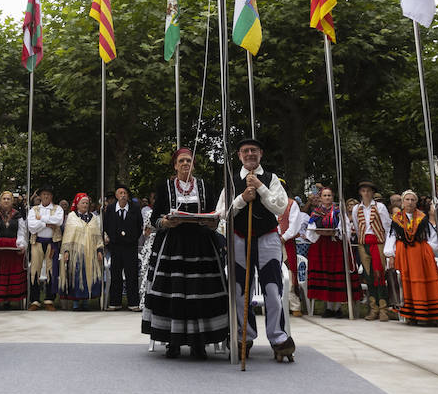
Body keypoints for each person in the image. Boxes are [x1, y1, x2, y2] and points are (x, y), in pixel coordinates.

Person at [142, 147, 228, 359]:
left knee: (199, 292)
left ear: (194, 164)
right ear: (175, 165)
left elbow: (214, 215)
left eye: (188, 160)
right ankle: (173, 342)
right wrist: (166, 222)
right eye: (181, 161)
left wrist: (211, 221)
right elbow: (154, 219)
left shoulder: (205, 186)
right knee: (175, 293)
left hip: (201, 246)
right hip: (173, 247)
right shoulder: (165, 187)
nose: (185, 164)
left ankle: (199, 342)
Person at [217, 137, 295, 362]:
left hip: (267, 237)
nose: (249, 154)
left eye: (253, 150)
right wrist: (242, 198)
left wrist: (260, 188)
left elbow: (280, 206)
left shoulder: (271, 179)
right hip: (240, 238)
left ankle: (278, 337)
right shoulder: (231, 181)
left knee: (272, 288)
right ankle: (245, 336)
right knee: (241, 290)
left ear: (260, 153)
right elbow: (222, 213)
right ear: (240, 155)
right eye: (245, 151)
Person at [385, 189, 438, 326]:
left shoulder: (422, 217)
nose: (410, 202)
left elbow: (432, 236)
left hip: (421, 252)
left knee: (425, 281)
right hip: (404, 252)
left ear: (416, 202)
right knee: (406, 283)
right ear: (402, 202)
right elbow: (392, 236)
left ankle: (430, 314)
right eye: (407, 199)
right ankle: (411, 314)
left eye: (413, 200)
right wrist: (390, 254)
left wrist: (428, 249)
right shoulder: (397, 219)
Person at [303, 187, 348, 318]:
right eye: (325, 195)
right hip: (321, 246)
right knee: (326, 275)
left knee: (336, 274)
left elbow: (344, 228)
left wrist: (336, 233)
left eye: (329, 195)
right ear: (321, 198)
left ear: (332, 197)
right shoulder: (316, 212)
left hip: (335, 245)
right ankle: (328, 307)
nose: (327, 198)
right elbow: (311, 230)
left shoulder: (339, 211)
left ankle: (338, 307)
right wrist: (319, 233)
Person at [351, 182, 393, 321]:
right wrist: (362, 238)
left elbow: (387, 226)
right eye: (363, 191)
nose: (366, 193)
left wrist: (387, 246)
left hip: (378, 242)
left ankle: (383, 309)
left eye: (368, 191)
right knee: (368, 276)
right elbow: (357, 227)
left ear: (372, 193)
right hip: (364, 243)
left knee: (379, 275)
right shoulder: (357, 208)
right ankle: (373, 308)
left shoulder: (380, 207)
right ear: (360, 193)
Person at [57, 193, 105, 311]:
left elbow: (97, 236)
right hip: (76, 253)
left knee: (89, 276)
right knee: (76, 276)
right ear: (77, 204)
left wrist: (99, 250)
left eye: (87, 203)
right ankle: (76, 302)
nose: (85, 205)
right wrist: (66, 251)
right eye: (82, 203)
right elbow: (68, 235)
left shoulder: (93, 218)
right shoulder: (72, 217)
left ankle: (85, 301)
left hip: (90, 253)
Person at [102, 182, 144, 311]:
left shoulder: (135, 208)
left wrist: (131, 239)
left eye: (125, 193)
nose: (123, 195)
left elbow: (139, 226)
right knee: (115, 275)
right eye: (120, 193)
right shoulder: (110, 209)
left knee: (131, 275)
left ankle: (133, 303)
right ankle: (115, 302)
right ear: (116, 195)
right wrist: (109, 237)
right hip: (115, 247)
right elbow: (106, 225)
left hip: (130, 247)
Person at [0, 190, 28, 310]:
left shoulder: (18, 215)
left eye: (9, 199)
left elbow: (21, 232)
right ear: (0, 201)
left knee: (10, 275)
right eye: (4, 199)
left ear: (12, 201)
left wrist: (21, 244)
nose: (6, 201)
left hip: (13, 251)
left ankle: (9, 300)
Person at [26, 187, 63, 310]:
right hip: (37, 242)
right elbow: (31, 227)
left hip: (52, 243)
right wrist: (46, 224)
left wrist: (40, 220)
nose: (46, 196)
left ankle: (49, 299)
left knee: (51, 270)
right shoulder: (34, 209)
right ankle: (35, 300)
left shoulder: (57, 209)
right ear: (40, 196)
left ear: (52, 196)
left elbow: (58, 221)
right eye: (44, 194)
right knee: (35, 270)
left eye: (48, 194)